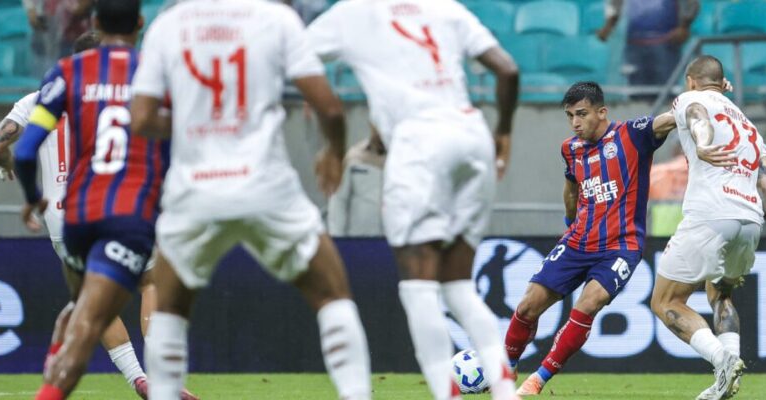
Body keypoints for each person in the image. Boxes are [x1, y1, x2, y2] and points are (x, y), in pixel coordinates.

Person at [129, 0, 372, 399]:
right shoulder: (275, 18)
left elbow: (140, 119)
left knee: (169, 310)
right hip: (266, 186)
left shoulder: (168, 25)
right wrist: (334, 151)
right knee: (332, 295)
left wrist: (195, 126)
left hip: (195, 192)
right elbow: (328, 105)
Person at [307, 1, 520, 399]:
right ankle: (504, 390)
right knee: (458, 285)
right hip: (472, 135)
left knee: (419, 287)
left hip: (418, 144)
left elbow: (295, 59)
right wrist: (503, 132)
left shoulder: (353, 13)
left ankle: (446, 393)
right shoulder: (444, 8)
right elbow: (508, 69)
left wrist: (331, 145)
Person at [0, 31, 168, 399]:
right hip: (113, 202)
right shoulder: (123, 94)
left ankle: (137, 380)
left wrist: (11, 172)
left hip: (62, 216)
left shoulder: (39, 98)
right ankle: (159, 378)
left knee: (91, 300)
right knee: (150, 282)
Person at [502, 82, 677, 395]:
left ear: (602, 112)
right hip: (577, 241)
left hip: (621, 246)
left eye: (581, 114)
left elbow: (670, 118)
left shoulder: (632, 135)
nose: (575, 122)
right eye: (570, 116)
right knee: (528, 305)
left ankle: (537, 380)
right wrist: (570, 222)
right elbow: (571, 187)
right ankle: (506, 371)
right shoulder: (570, 149)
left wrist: (705, 95)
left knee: (589, 302)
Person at [650, 55, 766, 400]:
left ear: (692, 80)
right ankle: (728, 374)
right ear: (722, 83)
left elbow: (696, 116)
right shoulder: (749, 126)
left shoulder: (692, 98)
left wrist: (703, 144)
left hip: (710, 213)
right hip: (751, 219)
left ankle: (722, 360)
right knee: (720, 294)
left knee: (666, 301)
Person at [596, 0, 699, 96]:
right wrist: (608, 26)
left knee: (665, 90)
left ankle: (667, 115)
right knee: (637, 91)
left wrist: (684, 26)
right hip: (635, 43)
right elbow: (615, 3)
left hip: (666, 42)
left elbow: (690, 2)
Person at [327, 127, 386, 237]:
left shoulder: (402, 159)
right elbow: (339, 200)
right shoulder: (354, 156)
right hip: (358, 241)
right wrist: (338, 240)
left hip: (394, 244)